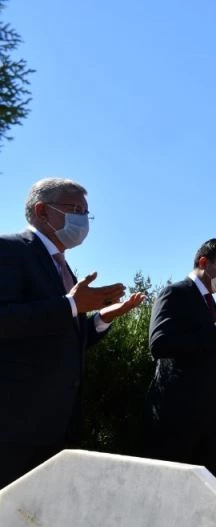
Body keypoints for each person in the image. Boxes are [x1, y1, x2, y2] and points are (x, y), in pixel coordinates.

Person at [0, 178, 144, 489]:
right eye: (75, 209)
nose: (82, 219)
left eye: (85, 212)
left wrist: (103, 317)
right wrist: (71, 305)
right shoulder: (8, 250)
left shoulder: (65, 269)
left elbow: (67, 338)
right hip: (14, 424)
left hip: (58, 425)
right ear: (42, 211)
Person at [142, 238, 216, 471]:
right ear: (204, 262)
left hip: (207, 420)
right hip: (176, 417)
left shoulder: (214, 307)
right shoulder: (175, 293)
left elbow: (207, 355)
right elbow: (159, 343)